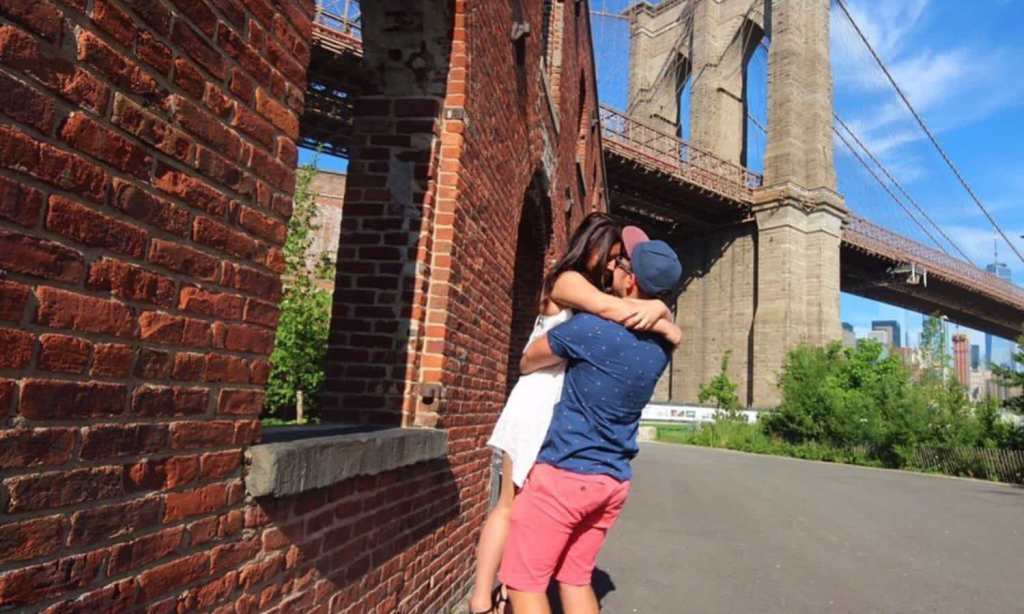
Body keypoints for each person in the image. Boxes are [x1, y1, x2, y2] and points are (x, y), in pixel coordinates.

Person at [468, 215, 681, 614]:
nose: (615, 265)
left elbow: (535, 357)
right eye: (614, 256)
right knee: (557, 558)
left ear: (631, 277)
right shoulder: (652, 341)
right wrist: (660, 312)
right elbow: (610, 310)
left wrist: (650, 309)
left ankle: (492, 598)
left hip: (567, 454)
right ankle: (482, 600)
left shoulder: (592, 327)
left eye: (621, 261)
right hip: (582, 447)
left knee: (527, 578)